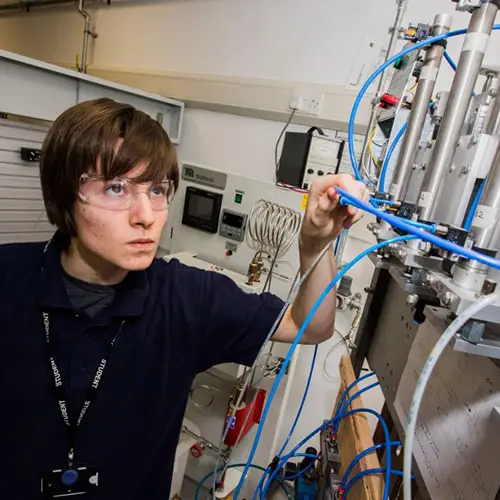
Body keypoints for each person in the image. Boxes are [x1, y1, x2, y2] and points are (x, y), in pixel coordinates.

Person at [0, 98, 369, 500]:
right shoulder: (8, 278)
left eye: (157, 189)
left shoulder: (187, 299)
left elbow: (310, 326)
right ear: (64, 191)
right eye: (116, 187)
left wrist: (315, 245)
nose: (146, 214)